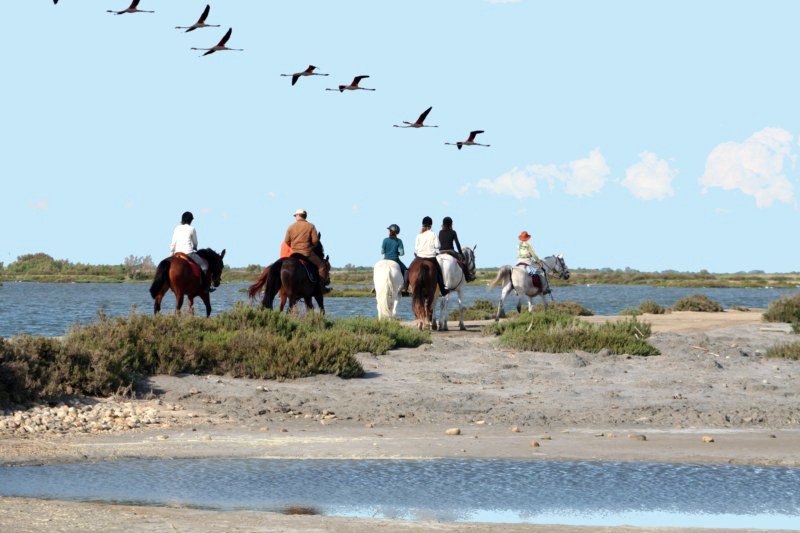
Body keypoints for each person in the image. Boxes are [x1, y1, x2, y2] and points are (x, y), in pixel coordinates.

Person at [284, 208, 328, 288]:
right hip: (307, 253)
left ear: (297, 216)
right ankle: (320, 289)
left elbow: (286, 241)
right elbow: (315, 241)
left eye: (295, 216)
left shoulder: (290, 227)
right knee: (322, 267)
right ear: (305, 216)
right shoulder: (311, 226)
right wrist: (311, 246)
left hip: (294, 254)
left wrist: (294, 247)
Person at [170, 211, 213, 292]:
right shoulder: (192, 229)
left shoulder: (176, 228)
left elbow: (173, 243)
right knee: (205, 265)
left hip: (177, 253)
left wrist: (171, 254)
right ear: (190, 220)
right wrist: (195, 247)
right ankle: (205, 287)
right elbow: (195, 242)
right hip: (188, 253)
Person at [412, 216, 448, 296]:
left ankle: (406, 284)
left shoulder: (418, 235)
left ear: (423, 225)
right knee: (439, 272)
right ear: (431, 225)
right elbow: (437, 246)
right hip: (431, 258)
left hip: (419, 257)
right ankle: (443, 289)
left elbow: (416, 248)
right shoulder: (433, 234)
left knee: (410, 269)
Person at [382, 224, 408, 295]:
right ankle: (404, 288)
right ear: (397, 233)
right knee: (406, 271)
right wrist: (397, 253)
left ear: (390, 231)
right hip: (395, 260)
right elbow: (402, 253)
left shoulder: (385, 240)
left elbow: (382, 252)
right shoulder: (399, 241)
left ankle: (375, 287)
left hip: (385, 260)